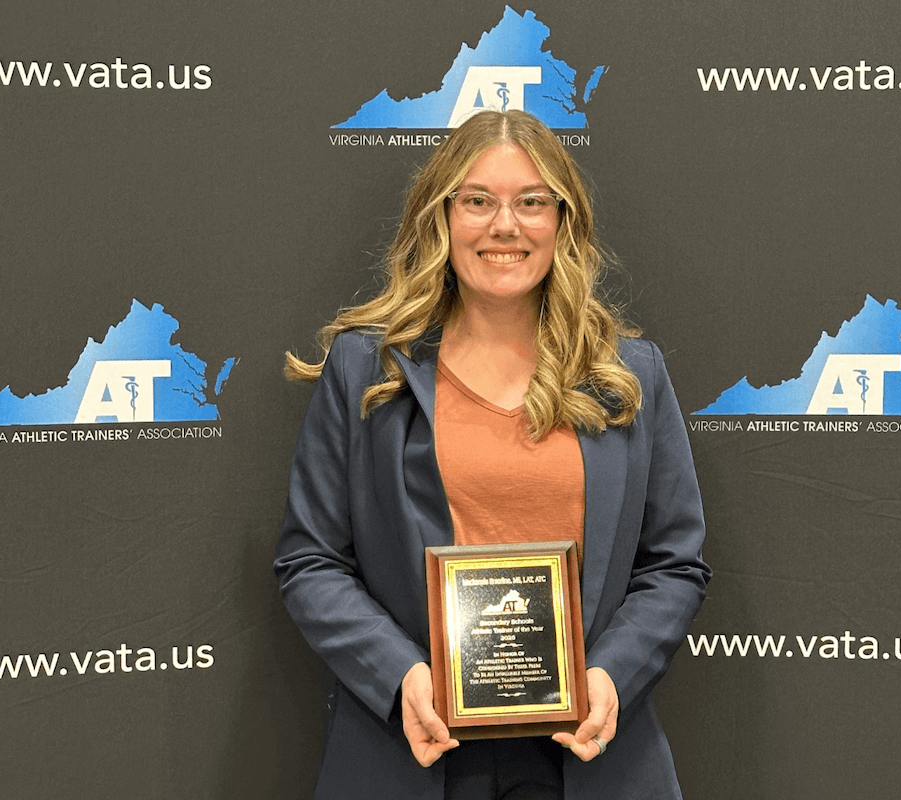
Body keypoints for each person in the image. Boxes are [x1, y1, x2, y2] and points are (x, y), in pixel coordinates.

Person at [275, 109, 710, 800]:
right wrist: (400, 677)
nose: (504, 226)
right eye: (477, 201)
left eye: (531, 202)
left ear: (564, 223)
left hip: (589, 758)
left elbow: (674, 563)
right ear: (440, 217)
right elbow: (311, 560)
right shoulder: (367, 370)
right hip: (413, 753)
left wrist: (610, 677)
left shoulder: (629, 374)